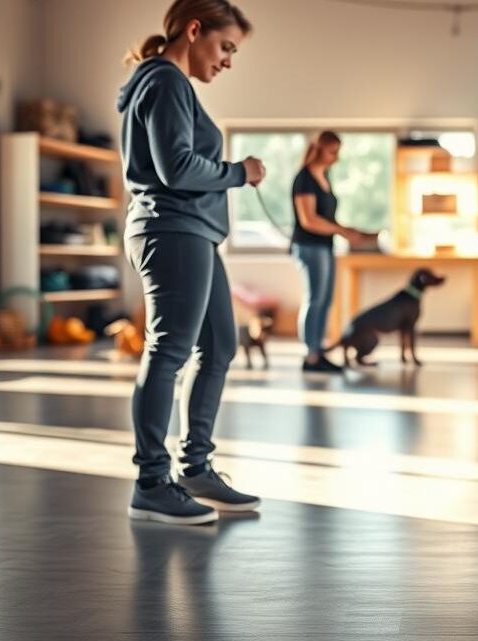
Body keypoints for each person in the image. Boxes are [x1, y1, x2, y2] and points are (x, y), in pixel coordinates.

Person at [118, 0, 264, 525]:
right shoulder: (163, 81)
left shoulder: (169, 84)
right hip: (171, 228)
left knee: (220, 344)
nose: (227, 60)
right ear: (194, 29)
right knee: (169, 350)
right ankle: (152, 481)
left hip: (194, 232)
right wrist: (238, 171)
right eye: (226, 47)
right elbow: (175, 167)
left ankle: (195, 467)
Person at [291, 131, 368, 373]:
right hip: (309, 246)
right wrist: (342, 231)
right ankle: (310, 355)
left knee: (325, 300)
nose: (336, 157)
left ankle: (318, 350)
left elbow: (325, 217)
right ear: (319, 149)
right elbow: (309, 220)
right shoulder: (304, 179)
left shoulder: (324, 175)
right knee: (315, 299)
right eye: (332, 151)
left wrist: (343, 231)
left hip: (325, 246)